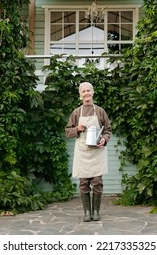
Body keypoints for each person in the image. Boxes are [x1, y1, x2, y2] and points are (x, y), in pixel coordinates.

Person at [65, 82, 112, 222]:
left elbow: (108, 130)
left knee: (97, 182)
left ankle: (96, 212)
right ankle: (87, 213)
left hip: (97, 152)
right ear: (80, 95)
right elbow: (68, 131)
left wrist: (104, 139)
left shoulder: (100, 111)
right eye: (84, 91)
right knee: (84, 183)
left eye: (88, 90)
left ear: (92, 93)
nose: (86, 93)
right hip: (83, 152)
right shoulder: (76, 113)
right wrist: (77, 129)